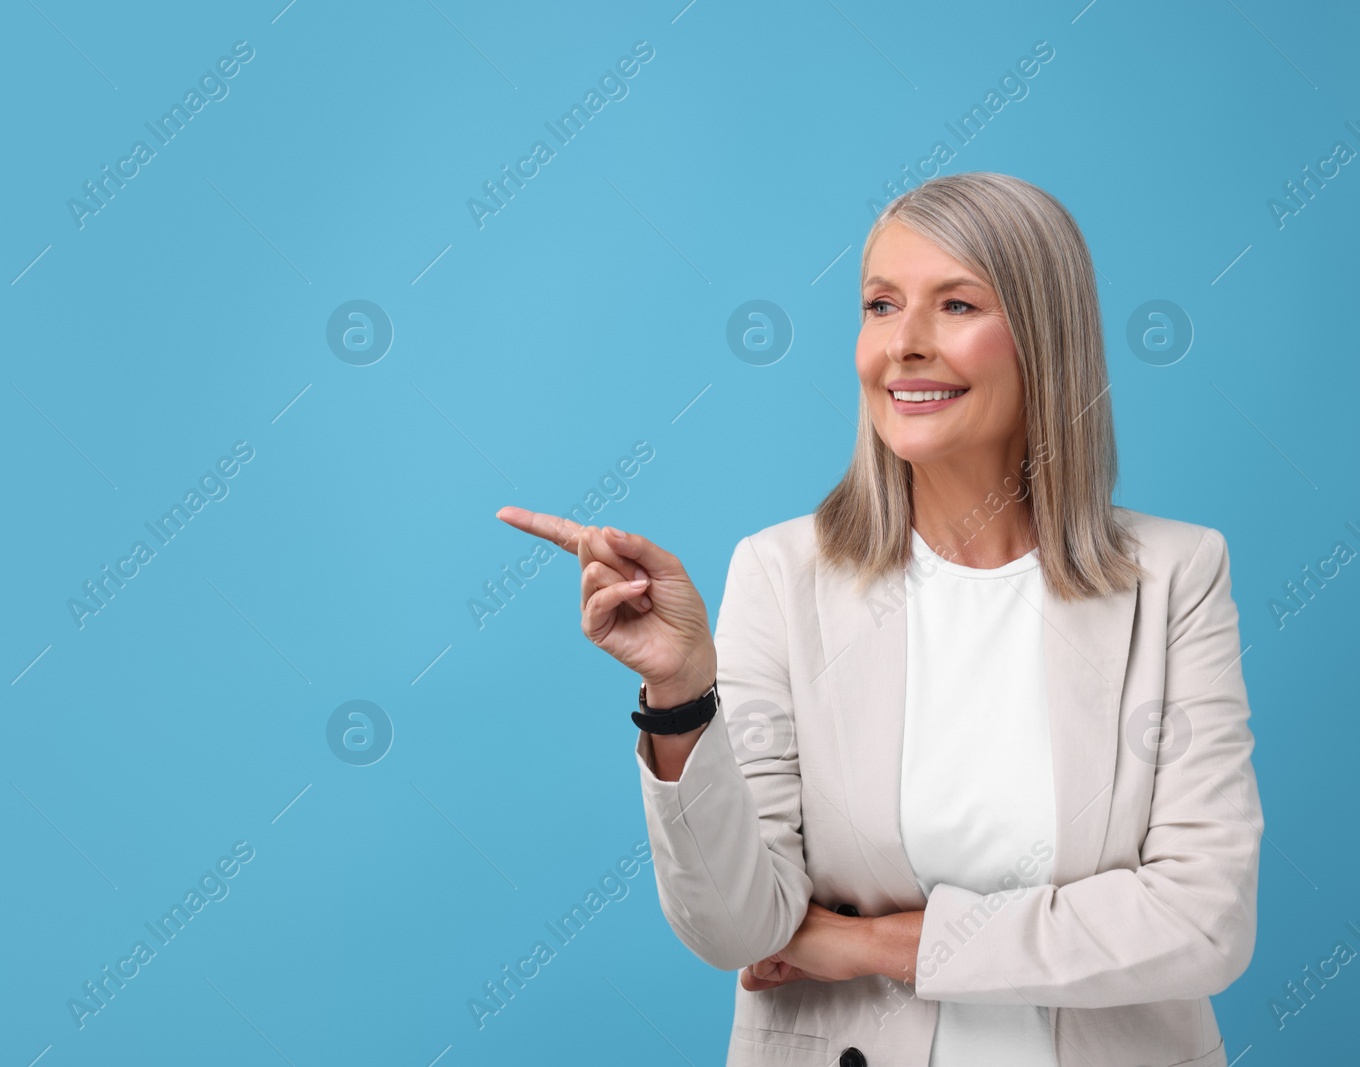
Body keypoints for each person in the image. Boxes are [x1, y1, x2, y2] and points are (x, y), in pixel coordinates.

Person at [496, 171, 1261, 1067]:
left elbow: (1204, 920)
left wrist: (868, 943)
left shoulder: (1176, 575)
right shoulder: (781, 574)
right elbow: (737, 926)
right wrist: (678, 691)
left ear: (1045, 339)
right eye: (881, 304)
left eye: (958, 303)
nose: (905, 344)